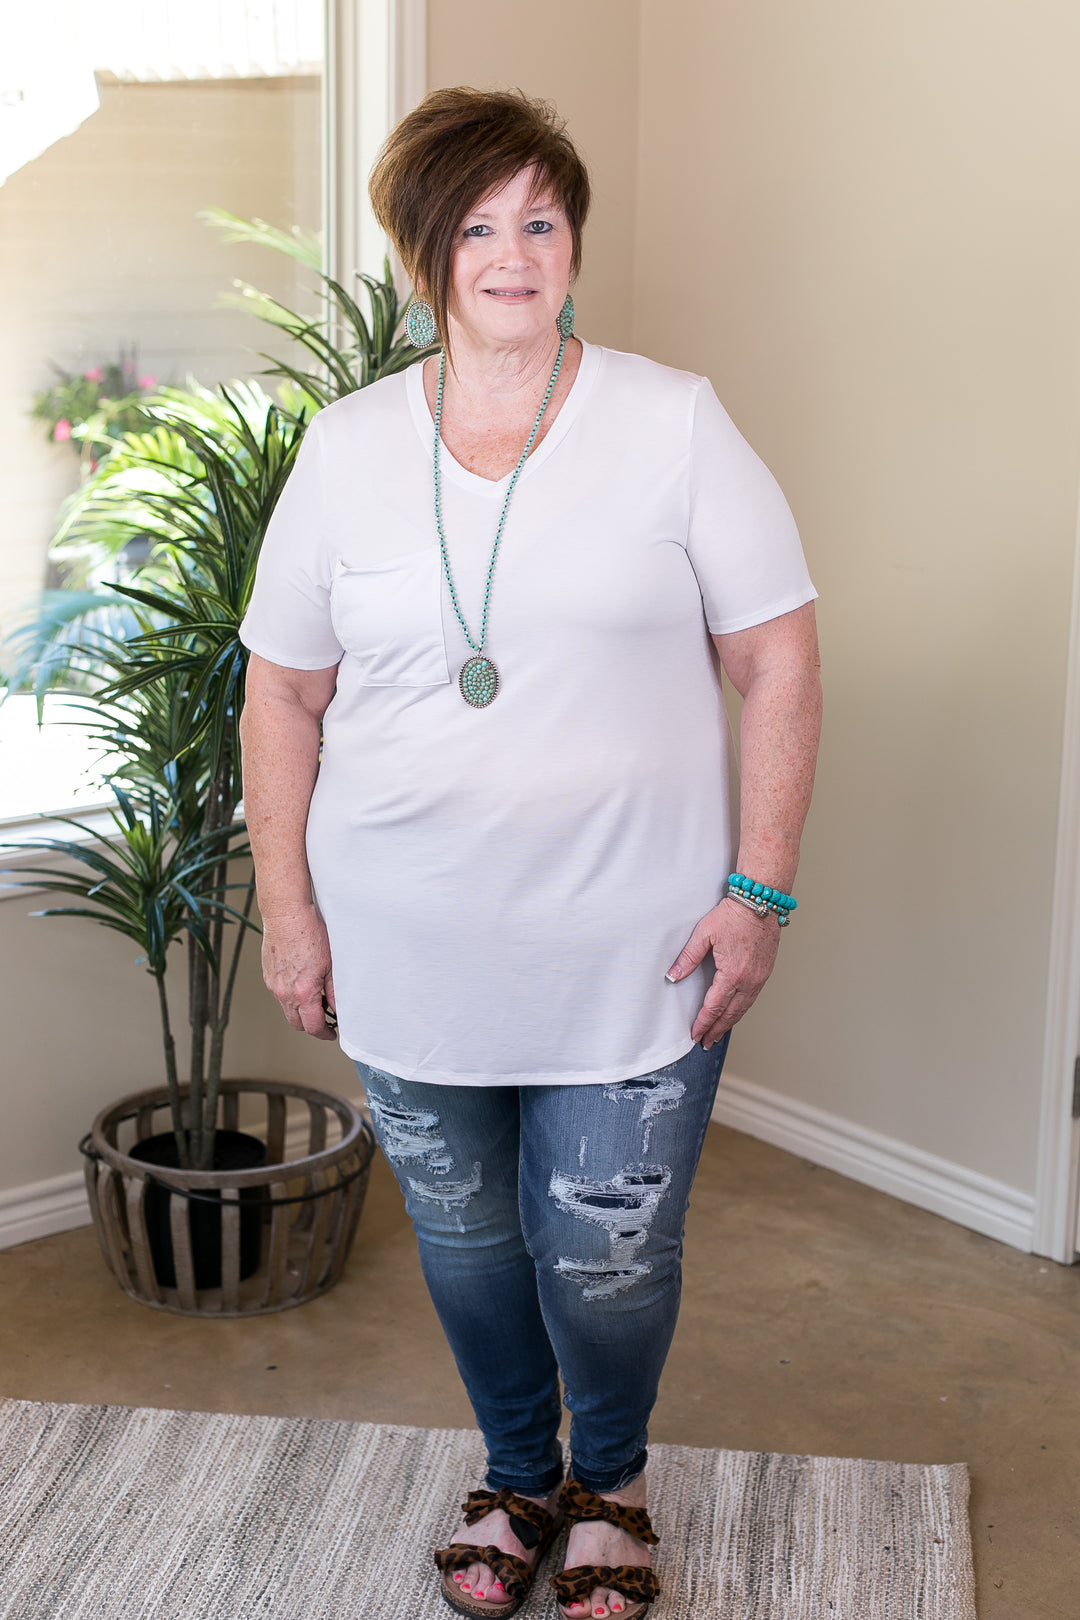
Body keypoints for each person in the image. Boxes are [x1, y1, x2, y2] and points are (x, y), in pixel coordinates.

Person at [239, 86, 821, 1620]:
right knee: (471, 1243)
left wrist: (757, 888)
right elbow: (284, 694)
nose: (513, 252)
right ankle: (514, 1475)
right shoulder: (348, 448)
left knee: (608, 1256)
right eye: (478, 225)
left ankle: (610, 1481)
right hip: (408, 940)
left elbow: (778, 657)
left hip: (640, 946)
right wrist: (288, 908)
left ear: (572, 244)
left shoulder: (671, 419)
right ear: (427, 253)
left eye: (541, 221)